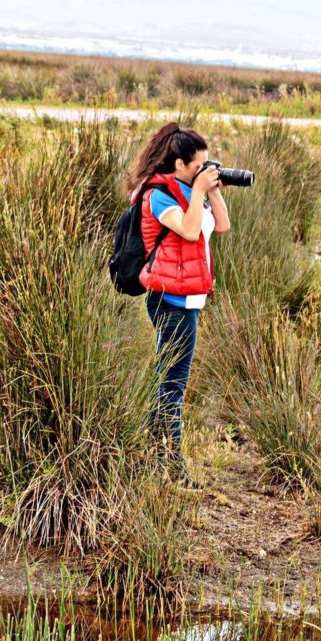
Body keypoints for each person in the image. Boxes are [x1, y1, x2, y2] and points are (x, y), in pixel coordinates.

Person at [127, 122, 231, 487]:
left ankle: (152, 454)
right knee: (173, 386)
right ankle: (173, 471)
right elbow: (188, 230)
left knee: (166, 382)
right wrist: (198, 190)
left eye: (207, 164)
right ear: (178, 165)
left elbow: (221, 226)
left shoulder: (190, 191)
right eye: (197, 165)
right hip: (169, 300)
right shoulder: (158, 195)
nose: (203, 170)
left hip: (190, 299)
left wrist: (211, 191)